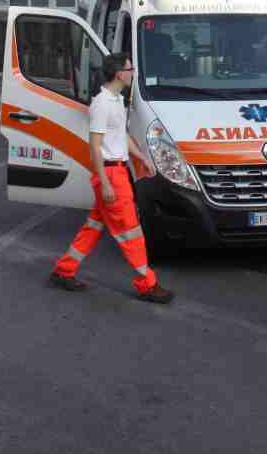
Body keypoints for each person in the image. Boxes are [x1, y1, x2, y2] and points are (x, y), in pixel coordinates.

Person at [49, 53, 174, 304]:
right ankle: (146, 284)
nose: (133, 72)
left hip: (116, 171)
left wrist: (142, 158)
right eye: (130, 69)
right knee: (131, 232)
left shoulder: (116, 100)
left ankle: (64, 270)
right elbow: (94, 147)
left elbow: (122, 136)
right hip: (111, 175)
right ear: (119, 74)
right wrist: (105, 182)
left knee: (94, 226)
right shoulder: (102, 104)